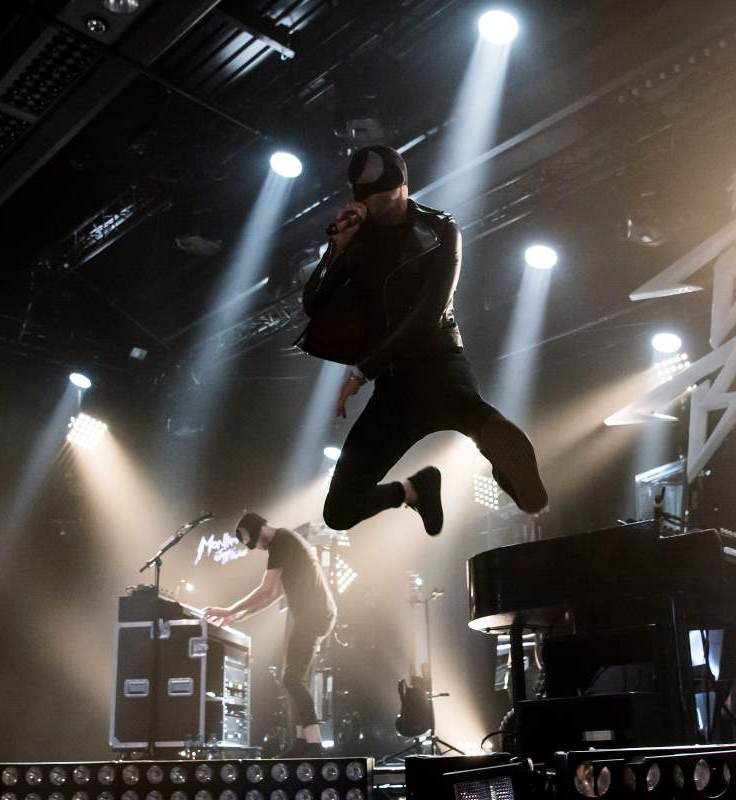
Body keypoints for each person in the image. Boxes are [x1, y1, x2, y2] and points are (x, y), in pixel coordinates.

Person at [297, 144, 547, 535]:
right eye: (364, 198)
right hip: (392, 387)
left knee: (470, 412)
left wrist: (361, 371)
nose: (371, 206)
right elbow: (313, 304)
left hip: (439, 361)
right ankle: (415, 490)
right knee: (338, 512)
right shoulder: (359, 238)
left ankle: (511, 471)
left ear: (401, 187)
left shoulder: (440, 230)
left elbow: (429, 313)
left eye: (380, 198)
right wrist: (337, 249)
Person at [202, 512, 337, 758]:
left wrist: (229, 609)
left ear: (259, 530)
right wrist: (238, 616)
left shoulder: (282, 542)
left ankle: (314, 743)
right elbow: (273, 594)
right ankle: (303, 741)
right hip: (314, 615)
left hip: (313, 615)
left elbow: (264, 590)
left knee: (292, 679)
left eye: (255, 542)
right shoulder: (284, 544)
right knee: (293, 680)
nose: (258, 548)